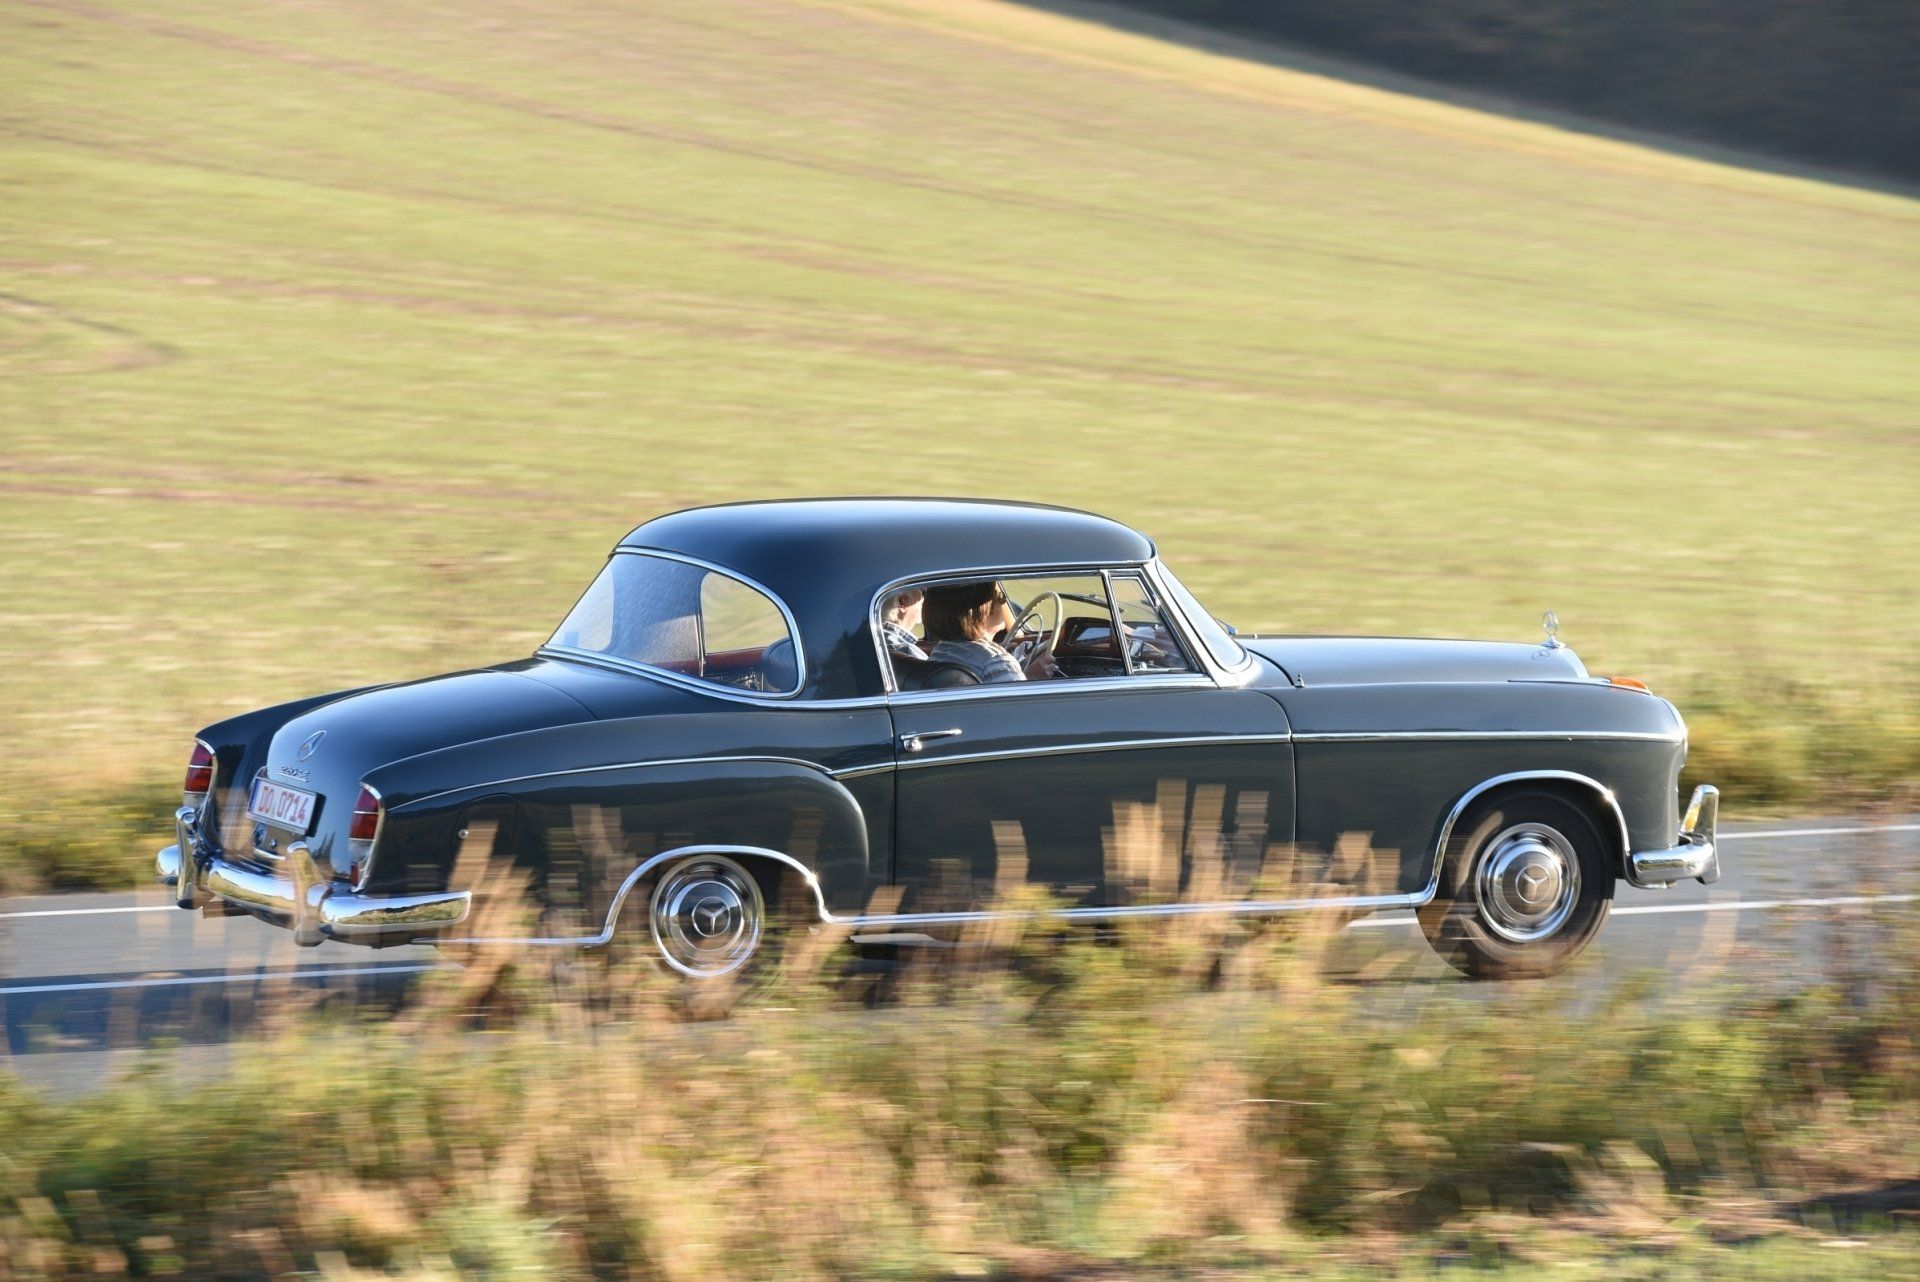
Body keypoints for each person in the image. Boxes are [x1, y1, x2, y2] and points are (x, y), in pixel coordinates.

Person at [921, 580, 1057, 684]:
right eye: (999, 598)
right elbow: (1021, 710)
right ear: (982, 612)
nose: (1003, 603)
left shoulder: (941, 651)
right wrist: (1031, 678)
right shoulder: (995, 662)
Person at [880, 587, 927, 659]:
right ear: (902, 602)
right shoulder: (907, 652)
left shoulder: (871, 640)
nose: (921, 608)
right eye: (919, 602)